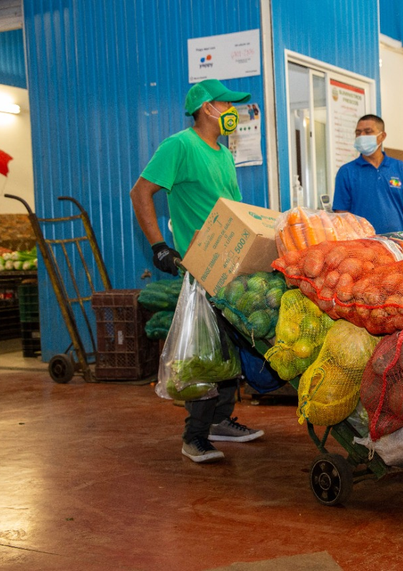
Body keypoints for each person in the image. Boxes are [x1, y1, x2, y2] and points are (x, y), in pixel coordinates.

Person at [130, 79, 264, 463]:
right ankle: (195, 436)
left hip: (231, 264)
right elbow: (140, 192)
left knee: (228, 345)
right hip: (202, 265)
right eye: (227, 104)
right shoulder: (180, 145)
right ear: (208, 108)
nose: (233, 112)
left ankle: (220, 421)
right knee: (207, 350)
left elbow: (232, 210)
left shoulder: (223, 154)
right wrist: (159, 246)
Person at [333, 114, 403, 234]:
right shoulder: (346, 172)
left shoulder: (401, 168)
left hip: (397, 241)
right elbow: (341, 213)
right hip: (362, 242)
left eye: (368, 132)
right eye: (358, 133)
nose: (361, 136)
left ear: (382, 136)